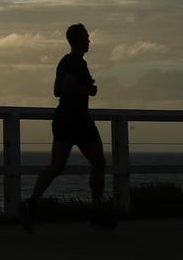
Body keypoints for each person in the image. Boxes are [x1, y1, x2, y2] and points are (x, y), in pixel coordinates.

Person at [18, 23, 116, 231]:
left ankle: (32, 203)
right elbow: (66, 89)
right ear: (78, 40)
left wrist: (81, 88)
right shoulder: (77, 63)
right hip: (78, 120)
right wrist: (89, 89)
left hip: (63, 119)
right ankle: (97, 212)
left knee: (56, 166)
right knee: (99, 164)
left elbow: (56, 91)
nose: (89, 41)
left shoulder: (64, 61)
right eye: (87, 37)